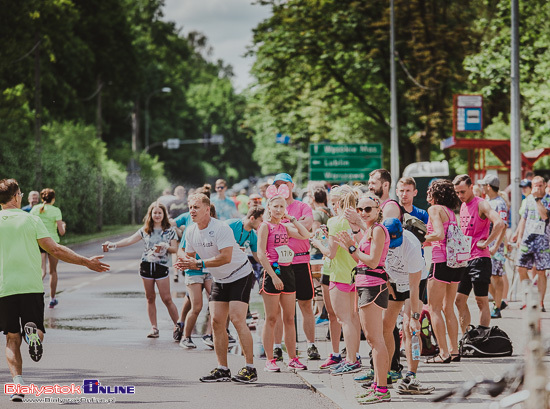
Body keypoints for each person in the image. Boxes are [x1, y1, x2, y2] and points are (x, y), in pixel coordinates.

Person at [0, 178, 109, 402]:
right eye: (19, 193)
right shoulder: (31, 219)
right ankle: (34, 337)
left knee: (11, 338)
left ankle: (18, 385)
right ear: (15, 197)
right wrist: (86, 262)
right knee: (36, 329)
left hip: (4, 288)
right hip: (30, 286)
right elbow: (55, 249)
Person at [175, 193, 257, 383]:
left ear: (206, 209)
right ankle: (223, 369)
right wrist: (184, 263)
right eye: (190, 207)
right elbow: (189, 257)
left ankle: (250, 368)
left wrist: (198, 264)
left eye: (196, 207)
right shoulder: (191, 231)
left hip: (240, 274)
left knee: (237, 319)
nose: (192, 211)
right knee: (217, 322)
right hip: (220, 278)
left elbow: (225, 258)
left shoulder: (221, 228)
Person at [334, 194, 391, 404]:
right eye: (360, 209)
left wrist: (351, 247)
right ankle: (377, 385)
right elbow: (361, 257)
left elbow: (374, 262)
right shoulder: (370, 231)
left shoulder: (377, 230)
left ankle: (382, 389)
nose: (364, 213)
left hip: (373, 285)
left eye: (368, 209)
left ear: (378, 210)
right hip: (365, 284)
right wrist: (350, 245)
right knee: (373, 339)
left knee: (376, 340)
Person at [103, 202, 180, 338]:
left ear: (164, 215)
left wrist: (164, 247)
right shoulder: (145, 230)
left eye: (159, 213)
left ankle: (179, 326)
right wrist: (113, 245)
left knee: (167, 299)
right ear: (150, 214)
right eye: (154, 213)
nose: (157, 215)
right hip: (146, 266)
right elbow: (129, 240)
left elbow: (175, 249)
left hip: (161, 267)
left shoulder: (169, 230)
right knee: (150, 298)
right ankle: (154, 328)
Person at [257, 185, 310, 372]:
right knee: (271, 318)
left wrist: (293, 219)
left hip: (288, 271)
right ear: (269, 208)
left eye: (282, 206)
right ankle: (269, 359)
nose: (279, 210)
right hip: (273, 272)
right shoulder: (265, 226)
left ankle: (293, 357)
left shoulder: (285, 226)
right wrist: (273, 275)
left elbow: (306, 235)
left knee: (289, 317)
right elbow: (261, 254)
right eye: (276, 206)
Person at [380, 218, 434, 394]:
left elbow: (414, 287)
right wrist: (387, 282)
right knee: (385, 326)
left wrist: (415, 317)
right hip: (394, 281)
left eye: (396, 241)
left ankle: (412, 377)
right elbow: (377, 262)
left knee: (410, 329)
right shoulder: (379, 237)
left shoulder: (411, 245)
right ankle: (386, 374)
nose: (394, 246)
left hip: (413, 283)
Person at [271, 173, 320, 361]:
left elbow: (306, 229)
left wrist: (286, 225)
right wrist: (294, 228)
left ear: (291, 185)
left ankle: (311, 344)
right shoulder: (272, 207)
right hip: (280, 263)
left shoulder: (302, 206)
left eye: (284, 184)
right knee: (281, 309)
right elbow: (271, 230)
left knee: (306, 304)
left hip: (301, 261)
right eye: (277, 185)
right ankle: (277, 346)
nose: (281, 188)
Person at [315, 185, 362, 375]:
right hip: (355, 273)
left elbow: (331, 253)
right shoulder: (356, 222)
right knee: (353, 318)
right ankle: (355, 356)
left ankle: (350, 360)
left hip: (339, 275)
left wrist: (318, 242)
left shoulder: (335, 221)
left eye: (334, 202)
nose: (332, 206)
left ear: (340, 202)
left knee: (345, 320)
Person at [453, 174, 506, 333]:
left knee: (481, 301)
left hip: (480, 260)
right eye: (457, 192)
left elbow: (500, 223)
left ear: (471, 187)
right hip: (465, 260)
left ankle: (482, 335)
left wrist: (488, 243)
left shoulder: (481, 204)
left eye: (462, 192)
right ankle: (467, 337)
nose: (460, 196)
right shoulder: (462, 205)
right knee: (459, 300)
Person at [423, 179, 462, 363]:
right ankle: (454, 351)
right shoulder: (450, 212)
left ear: (436, 194)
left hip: (441, 261)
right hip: (455, 263)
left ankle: (443, 353)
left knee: (434, 308)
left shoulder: (435, 209)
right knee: (448, 307)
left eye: (430, 191)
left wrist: (421, 236)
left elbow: (439, 234)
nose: (427, 194)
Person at [310, 188, 342, 370]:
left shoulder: (325, 216)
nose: (335, 205)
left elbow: (323, 243)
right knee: (331, 314)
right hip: (328, 267)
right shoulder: (330, 217)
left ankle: (351, 356)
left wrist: (318, 243)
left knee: (345, 316)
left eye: (338, 202)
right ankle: (336, 353)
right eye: (333, 201)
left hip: (341, 271)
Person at [511, 175, 550, 311]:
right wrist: (519, 236)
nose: (537, 188)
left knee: (541, 272)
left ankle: (540, 303)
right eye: (535, 186)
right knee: (520, 268)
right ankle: (528, 297)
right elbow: (524, 218)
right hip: (528, 240)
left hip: (543, 242)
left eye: (540, 185)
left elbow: (545, 216)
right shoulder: (528, 200)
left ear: (545, 185)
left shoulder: (548, 200)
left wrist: (538, 199)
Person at [478, 175, 509, 319]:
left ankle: (497, 306)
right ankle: (498, 301)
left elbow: (502, 226)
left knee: (497, 276)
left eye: (484, 185)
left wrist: (497, 246)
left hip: (496, 246)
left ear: (488, 186)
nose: (482, 187)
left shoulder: (499, 203)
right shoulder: (488, 202)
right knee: (488, 276)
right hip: (486, 245)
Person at [30, 189, 66, 309]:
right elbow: (61, 232)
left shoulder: (35, 210)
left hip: (39, 242)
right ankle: (52, 299)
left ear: (41, 198)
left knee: (41, 271)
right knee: (53, 272)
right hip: (53, 243)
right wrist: (63, 226)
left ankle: (32, 295)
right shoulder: (56, 210)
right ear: (53, 199)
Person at [226, 206, 265, 284]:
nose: (263, 224)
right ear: (252, 218)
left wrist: (270, 267)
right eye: (261, 221)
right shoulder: (231, 224)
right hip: (221, 267)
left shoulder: (253, 236)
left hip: (236, 270)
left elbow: (257, 256)